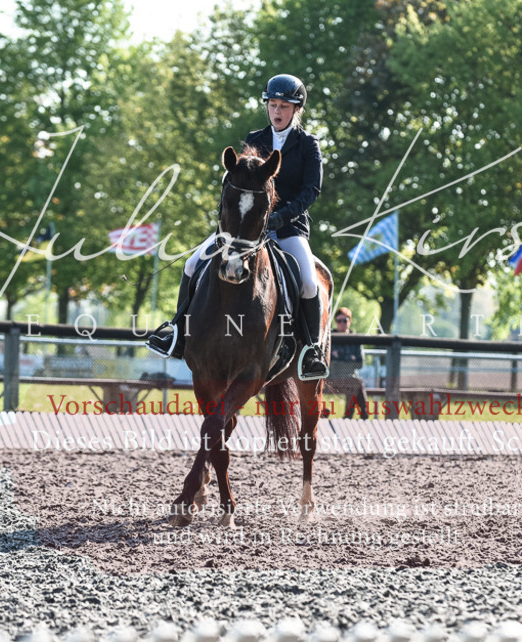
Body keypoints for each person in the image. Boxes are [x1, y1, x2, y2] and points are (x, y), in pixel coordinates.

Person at [147, 74, 329, 380]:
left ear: (296, 109)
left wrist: (279, 218)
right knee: (192, 264)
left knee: (310, 283)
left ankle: (310, 350)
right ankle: (177, 332)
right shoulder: (255, 138)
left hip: (288, 228)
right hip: (244, 228)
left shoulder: (308, 145)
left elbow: (311, 191)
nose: (277, 111)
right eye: (273, 105)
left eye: (284, 106)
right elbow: (239, 182)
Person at [329, 307, 369, 418]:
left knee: (356, 383)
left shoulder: (355, 339)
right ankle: (362, 413)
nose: (342, 323)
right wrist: (349, 358)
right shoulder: (330, 337)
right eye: (339, 320)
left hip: (350, 378)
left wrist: (339, 357)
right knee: (357, 383)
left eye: (345, 320)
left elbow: (360, 363)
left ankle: (350, 415)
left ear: (349, 321)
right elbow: (330, 363)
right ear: (335, 322)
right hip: (332, 378)